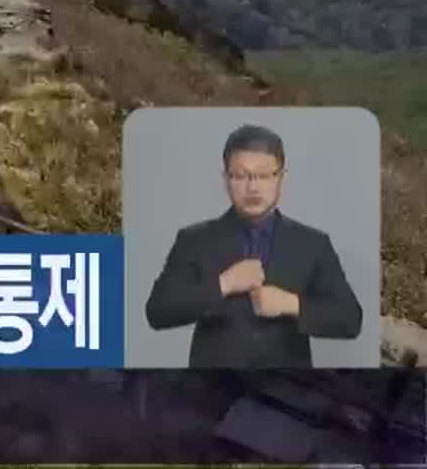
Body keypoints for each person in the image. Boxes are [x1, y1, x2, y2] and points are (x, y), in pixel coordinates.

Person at [143, 123, 363, 367]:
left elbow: (350, 319)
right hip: (209, 388)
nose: (253, 187)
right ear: (226, 179)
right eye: (241, 175)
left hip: (286, 390)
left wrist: (292, 304)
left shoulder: (313, 243)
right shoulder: (194, 240)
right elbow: (157, 311)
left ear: (281, 178)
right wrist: (223, 284)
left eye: (264, 175)